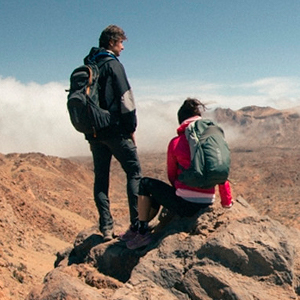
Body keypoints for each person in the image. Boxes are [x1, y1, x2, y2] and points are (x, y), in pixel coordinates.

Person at [123, 98, 233, 250]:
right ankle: (137, 228)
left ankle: (141, 232)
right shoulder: (212, 141)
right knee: (155, 191)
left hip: (185, 205)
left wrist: (183, 187)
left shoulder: (176, 142)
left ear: (181, 121)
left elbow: (172, 176)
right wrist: (226, 202)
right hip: (208, 203)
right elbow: (221, 171)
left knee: (145, 184)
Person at [84, 25, 142, 241]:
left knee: (101, 178)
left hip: (95, 132)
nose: (123, 47)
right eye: (121, 42)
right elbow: (126, 99)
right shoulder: (113, 65)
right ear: (111, 43)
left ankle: (106, 228)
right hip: (115, 130)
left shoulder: (91, 65)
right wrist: (131, 128)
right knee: (134, 173)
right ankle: (137, 226)